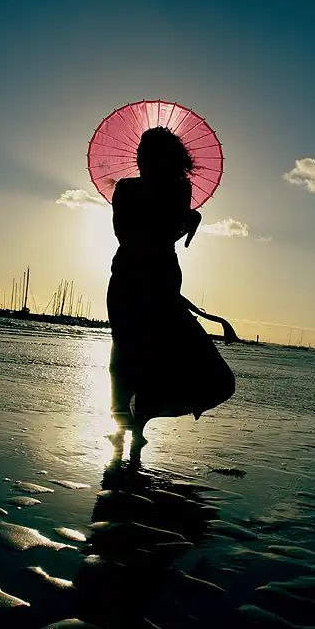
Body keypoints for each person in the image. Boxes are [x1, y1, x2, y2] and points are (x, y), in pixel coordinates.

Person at [106, 126, 239, 463]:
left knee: (199, 372)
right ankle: (123, 426)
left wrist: (186, 220)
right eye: (140, 152)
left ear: (164, 158)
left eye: (147, 152)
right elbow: (126, 233)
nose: (140, 158)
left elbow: (166, 235)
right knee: (125, 354)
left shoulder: (180, 188)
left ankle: (139, 421)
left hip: (163, 280)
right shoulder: (126, 189)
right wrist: (180, 219)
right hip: (128, 280)